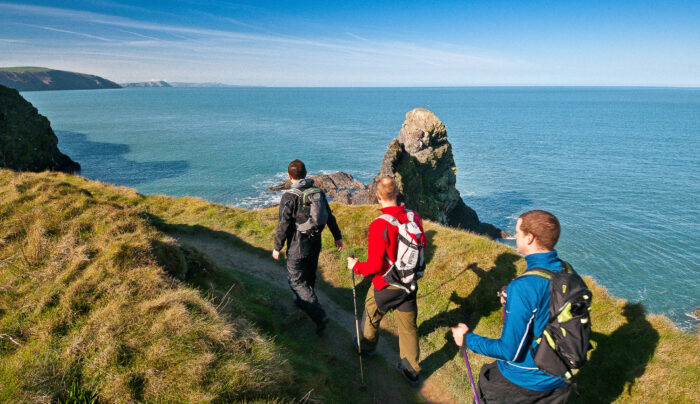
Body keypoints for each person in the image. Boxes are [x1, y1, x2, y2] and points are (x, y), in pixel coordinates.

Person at [451, 210, 572, 403]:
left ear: (530, 238)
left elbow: (510, 352)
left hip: (522, 382)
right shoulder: (566, 272)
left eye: (518, 232)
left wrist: (466, 338)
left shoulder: (523, 286)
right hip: (558, 380)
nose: (514, 236)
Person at [347, 177, 425, 386]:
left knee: (371, 315)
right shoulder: (414, 217)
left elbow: (373, 265)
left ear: (377, 196)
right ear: (397, 191)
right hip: (409, 283)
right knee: (408, 328)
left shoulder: (379, 225)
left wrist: (355, 266)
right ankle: (411, 371)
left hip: (386, 285)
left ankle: (366, 348)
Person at [273, 159, 343, 335]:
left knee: (295, 279)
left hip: (297, 245)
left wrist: (277, 247)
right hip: (315, 243)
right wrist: (337, 237)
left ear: (289, 177)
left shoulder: (289, 196)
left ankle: (318, 314)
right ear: (305, 174)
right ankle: (301, 300)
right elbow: (329, 216)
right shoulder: (317, 192)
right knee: (309, 274)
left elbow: (284, 224)